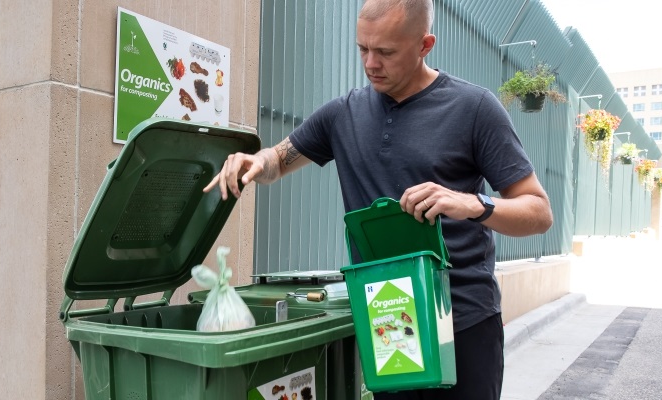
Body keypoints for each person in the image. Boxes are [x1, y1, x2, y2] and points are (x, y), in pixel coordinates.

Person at [204, 0, 553, 398]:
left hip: (463, 323)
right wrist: (256, 159)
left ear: (425, 45)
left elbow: (538, 212)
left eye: (386, 52)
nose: (371, 63)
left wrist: (474, 204)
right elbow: (278, 161)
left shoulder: (474, 108)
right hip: (387, 322)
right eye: (362, 49)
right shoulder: (343, 114)